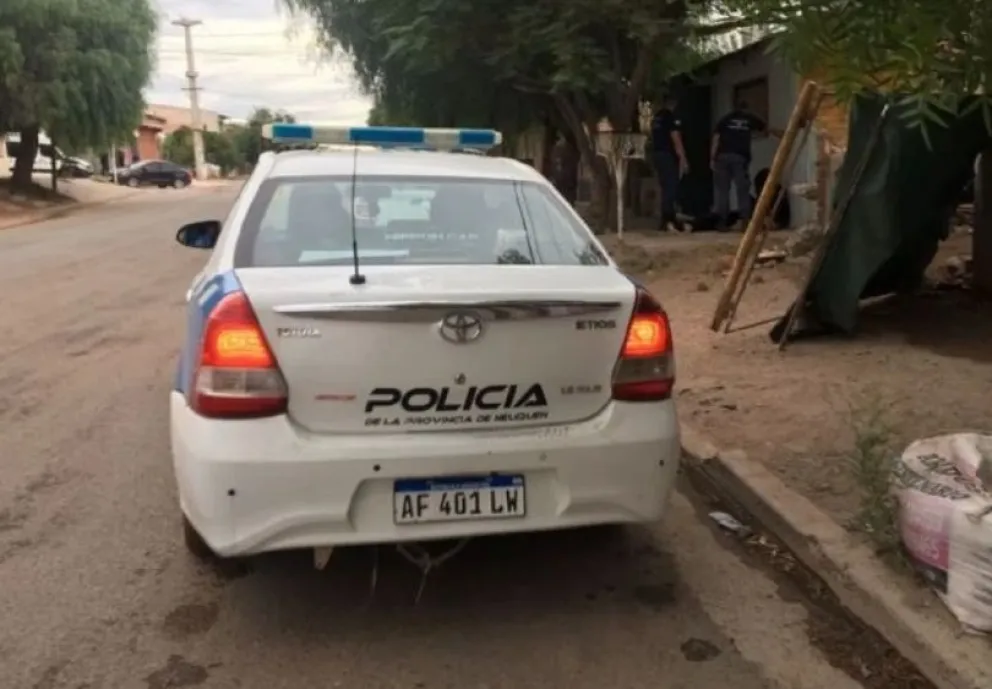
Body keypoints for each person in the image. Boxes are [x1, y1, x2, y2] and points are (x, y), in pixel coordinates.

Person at [711, 99, 778, 231]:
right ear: (746, 108)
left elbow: (716, 138)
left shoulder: (725, 119)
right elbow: (765, 130)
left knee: (722, 190)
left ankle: (722, 223)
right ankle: (745, 221)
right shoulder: (750, 118)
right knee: (742, 189)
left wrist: (712, 158)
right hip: (740, 157)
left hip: (722, 157)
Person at [650, 94, 689, 232]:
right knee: (671, 187)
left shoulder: (656, 118)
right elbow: (675, 137)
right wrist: (683, 158)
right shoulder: (670, 117)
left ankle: (665, 219)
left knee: (664, 186)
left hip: (657, 154)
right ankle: (668, 218)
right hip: (667, 155)